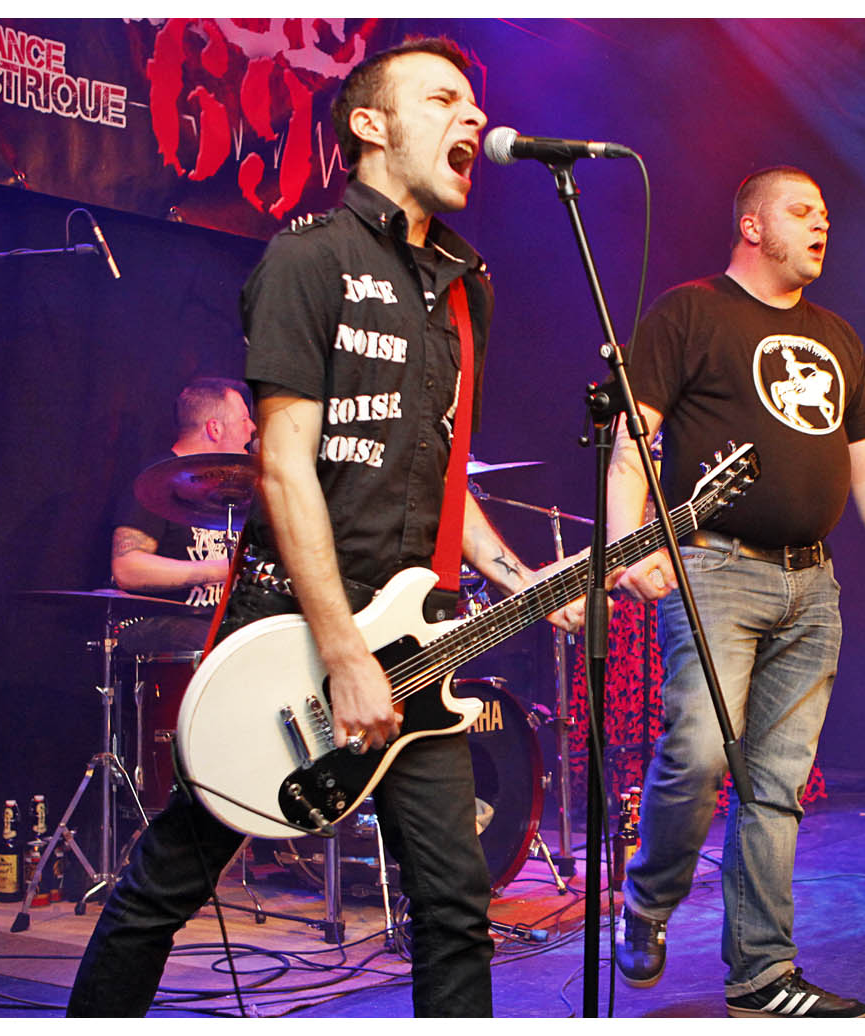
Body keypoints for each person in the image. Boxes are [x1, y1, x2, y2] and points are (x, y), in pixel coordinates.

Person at [67, 36, 581, 1017]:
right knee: (170, 882)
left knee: (453, 905)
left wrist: (519, 579)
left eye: (472, 103)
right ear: (369, 125)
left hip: (415, 641)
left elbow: (442, 466)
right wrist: (342, 651)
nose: (473, 117)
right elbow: (284, 464)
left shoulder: (463, 285)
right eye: (442, 100)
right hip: (289, 627)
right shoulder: (308, 259)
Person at [606, 166, 865, 1018]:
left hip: (811, 584)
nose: (820, 223)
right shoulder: (690, 312)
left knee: (776, 785)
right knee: (697, 753)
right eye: (801, 211)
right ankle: (647, 897)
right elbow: (632, 440)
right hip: (713, 570)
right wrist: (628, 547)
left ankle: (760, 975)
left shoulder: (836, 335)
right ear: (752, 226)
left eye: (825, 213)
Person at [111, 376, 255, 655]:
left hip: (222, 621)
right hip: (165, 623)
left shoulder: (238, 487)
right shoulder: (157, 481)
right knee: (221, 645)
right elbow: (127, 568)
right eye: (244, 419)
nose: (252, 427)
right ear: (214, 428)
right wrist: (220, 569)